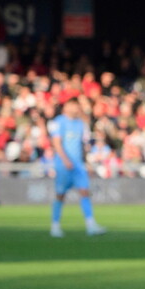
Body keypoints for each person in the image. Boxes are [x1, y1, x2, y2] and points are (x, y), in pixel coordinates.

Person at [49, 98, 107, 237]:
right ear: (67, 106)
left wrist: (86, 162)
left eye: (77, 106)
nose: (76, 108)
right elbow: (56, 143)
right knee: (60, 195)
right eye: (73, 105)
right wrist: (65, 160)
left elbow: (83, 145)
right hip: (64, 165)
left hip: (78, 166)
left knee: (85, 192)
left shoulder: (80, 124)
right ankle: (55, 225)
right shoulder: (60, 121)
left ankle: (90, 224)